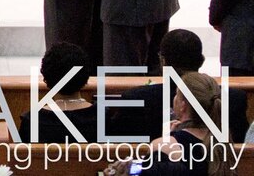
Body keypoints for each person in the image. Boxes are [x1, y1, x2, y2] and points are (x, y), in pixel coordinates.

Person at [106, 29, 249, 144]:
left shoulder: (136, 99)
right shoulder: (234, 99)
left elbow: (116, 147)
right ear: (201, 61)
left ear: (163, 61)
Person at [19, 42, 98, 143]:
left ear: (46, 77)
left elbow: (21, 157)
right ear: (86, 75)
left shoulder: (31, 121)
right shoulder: (104, 117)